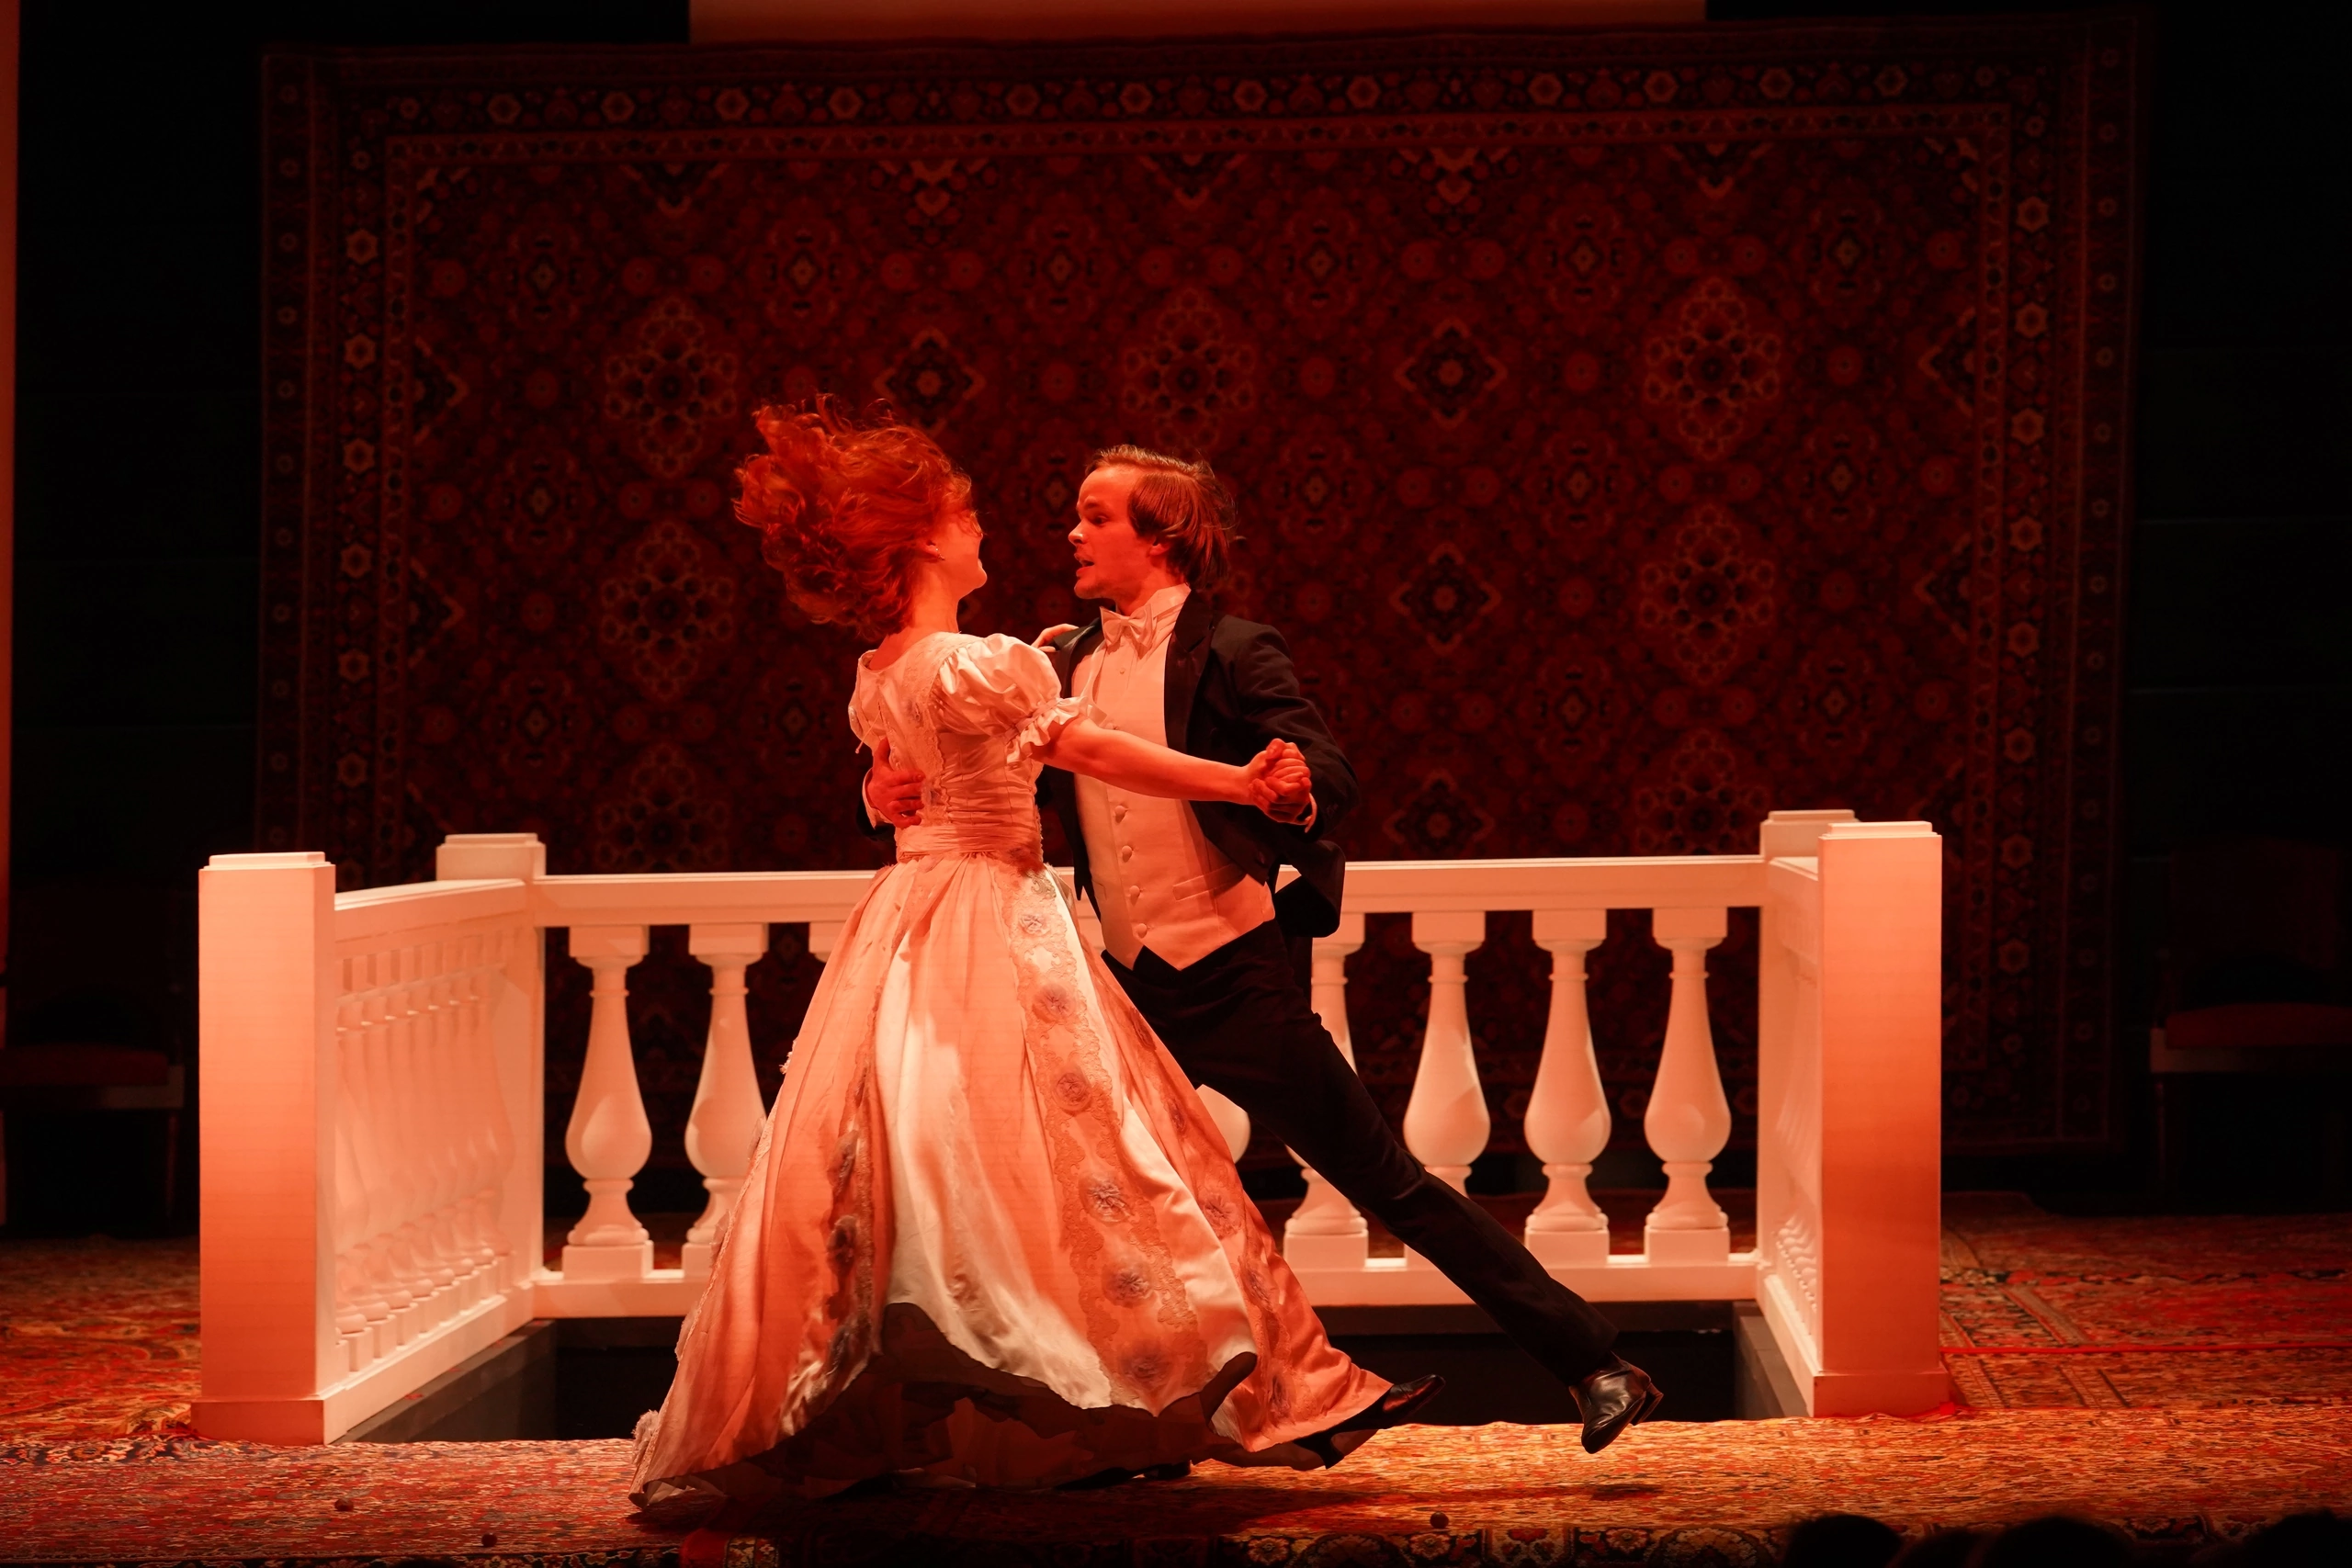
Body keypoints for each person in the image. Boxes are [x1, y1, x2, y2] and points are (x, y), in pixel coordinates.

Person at [629, 402, 1441, 1510]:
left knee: (944, 1156)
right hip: (992, 914)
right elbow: (1090, 748)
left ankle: (998, 1396)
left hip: (910, 921)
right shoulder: (979, 664)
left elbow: (909, 769)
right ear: (925, 537)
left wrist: (877, 790)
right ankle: (1170, 1383)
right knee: (1083, 1156)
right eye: (965, 517)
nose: (987, 532)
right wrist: (1240, 782)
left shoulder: (882, 669)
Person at [865, 445, 1664, 1453]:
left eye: (1096, 516)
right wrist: (878, 790)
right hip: (1117, 984)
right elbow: (949, 753)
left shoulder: (1236, 649)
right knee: (1097, 1209)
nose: (1072, 532)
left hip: (1232, 972)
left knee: (1385, 1180)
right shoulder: (1050, 660)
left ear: (1160, 538)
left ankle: (1595, 1362)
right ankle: (1139, 1431)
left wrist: (1292, 791)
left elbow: (1319, 764)